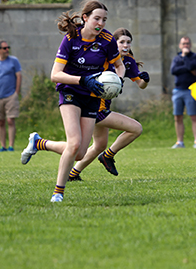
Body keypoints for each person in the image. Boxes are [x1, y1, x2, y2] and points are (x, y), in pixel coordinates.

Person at [22, 0, 124, 202]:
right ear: (85, 18)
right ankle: (58, 192)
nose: (101, 23)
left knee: (80, 153)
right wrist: (83, 80)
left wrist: (118, 82)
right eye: (97, 18)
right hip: (70, 92)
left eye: (104, 19)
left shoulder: (108, 40)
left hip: (93, 96)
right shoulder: (71, 38)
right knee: (74, 142)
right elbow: (55, 75)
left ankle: (39, 143)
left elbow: (120, 66)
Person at [22, 27, 148, 181]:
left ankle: (69, 170)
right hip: (95, 106)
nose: (125, 45)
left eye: (128, 42)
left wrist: (145, 79)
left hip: (103, 107)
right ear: (114, 44)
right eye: (121, 42)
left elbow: (140, 84)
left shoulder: (127, 61)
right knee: (135, 128)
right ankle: (107, 156)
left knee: (99, 145)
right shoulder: (104, 55)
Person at [0, 39, 22, 152]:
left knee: (11, 120)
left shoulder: (14, 61)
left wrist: (16, 92)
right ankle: (3, 145)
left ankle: (11, 145)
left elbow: (19, 76)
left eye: (8, 48)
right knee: (0, 121)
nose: (7, 50)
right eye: (4, 48)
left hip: (10, 95)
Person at [170, 36, 196, 149]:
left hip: (191, 90)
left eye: (187, 43)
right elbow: (174, 70)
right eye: (183, 44)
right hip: (178, 90)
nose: (185, 46)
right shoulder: (176, 58)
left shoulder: (195, 56)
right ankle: (179, 142)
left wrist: (185, 57)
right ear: (180, 45)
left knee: (193, 115)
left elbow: (192, 66)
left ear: (190, 45)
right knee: (177, 116)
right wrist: (186, 67)